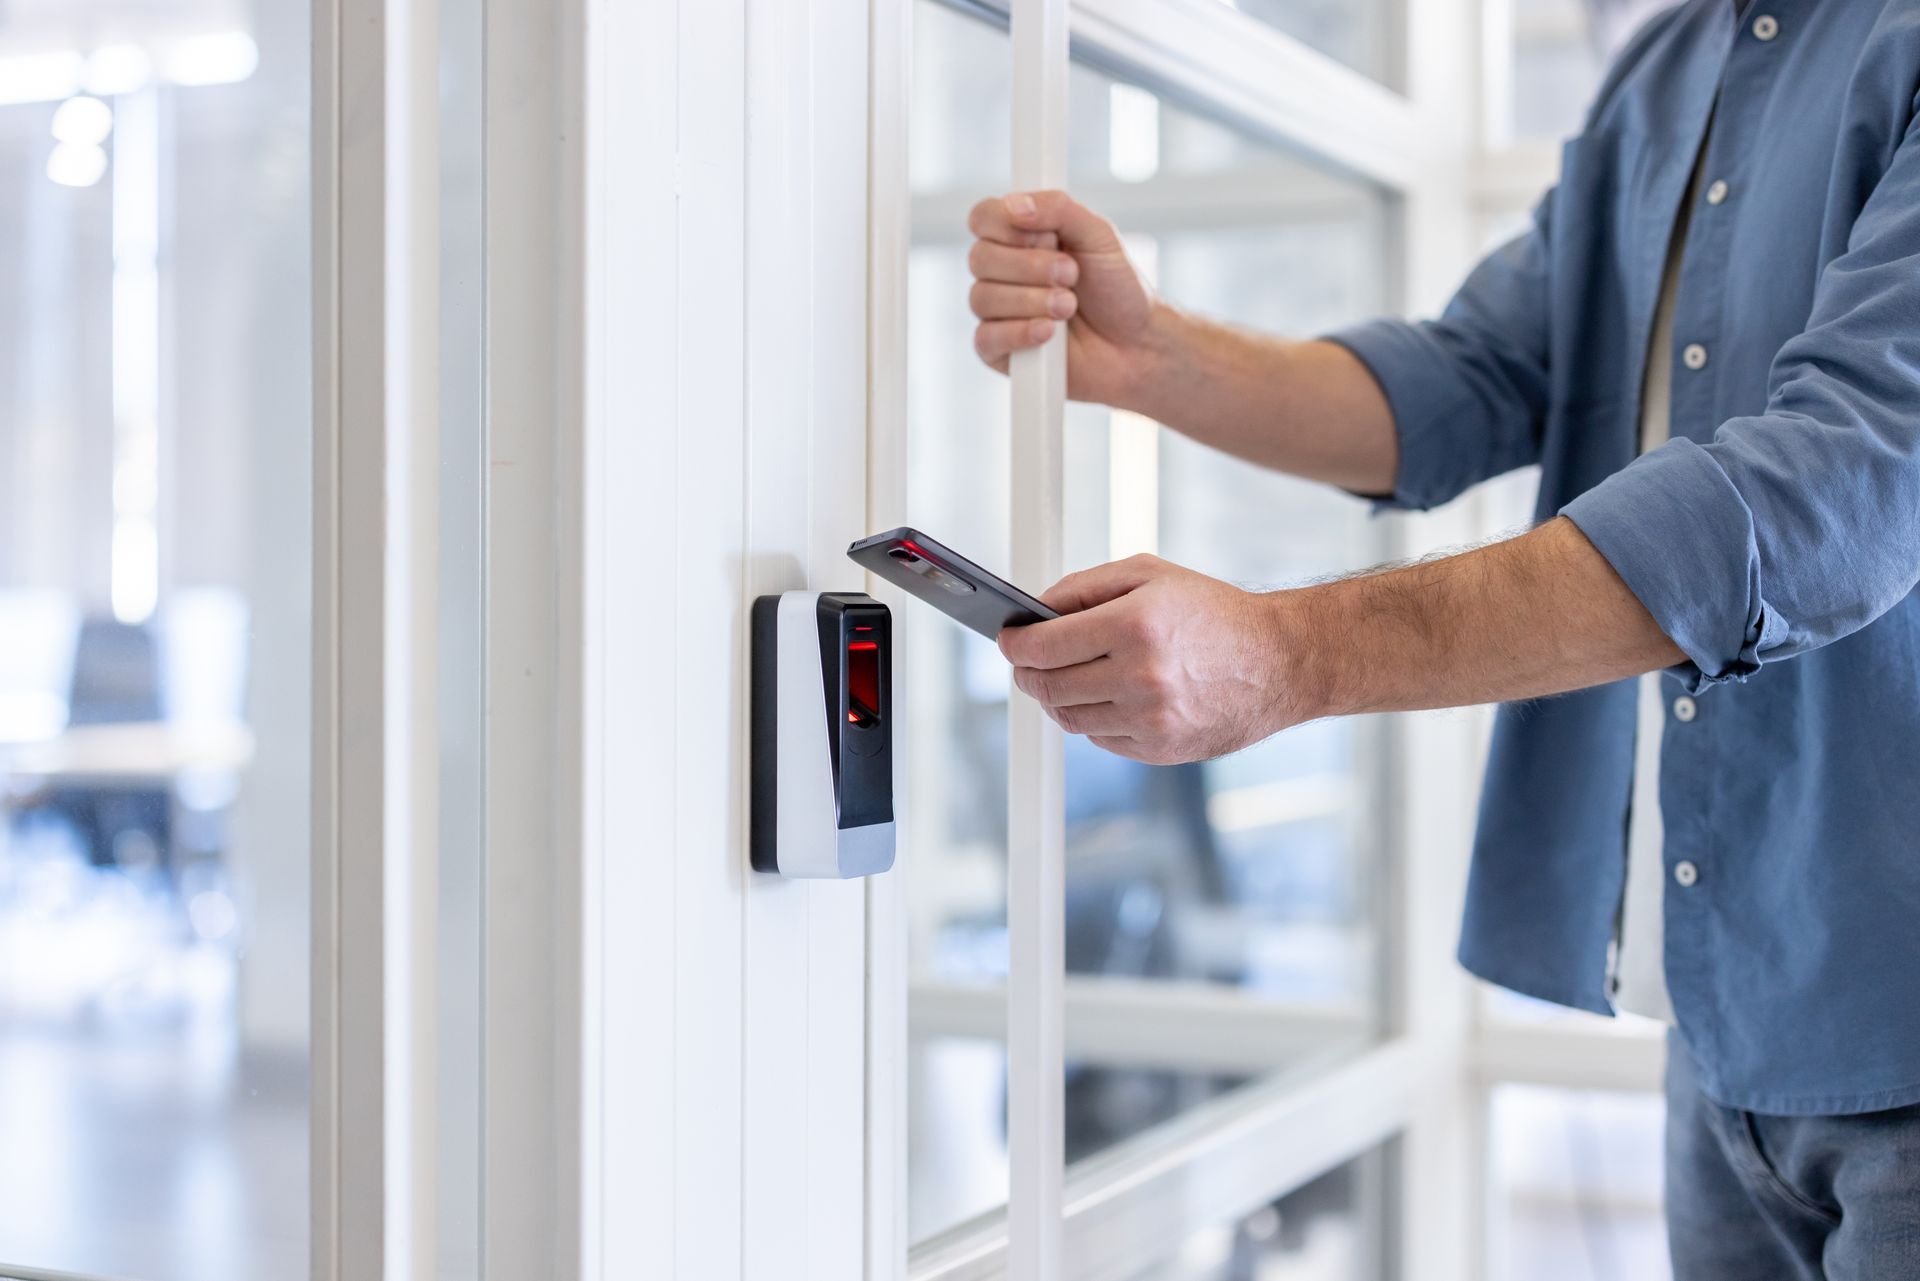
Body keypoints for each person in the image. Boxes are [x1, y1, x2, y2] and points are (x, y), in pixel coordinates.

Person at [968, 3, 1920, 1277]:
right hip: (1725, 1013)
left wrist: (1285, 656)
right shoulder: (1671, 63)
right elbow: (1474, 380)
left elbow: (1840, 487)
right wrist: (1154, 357)